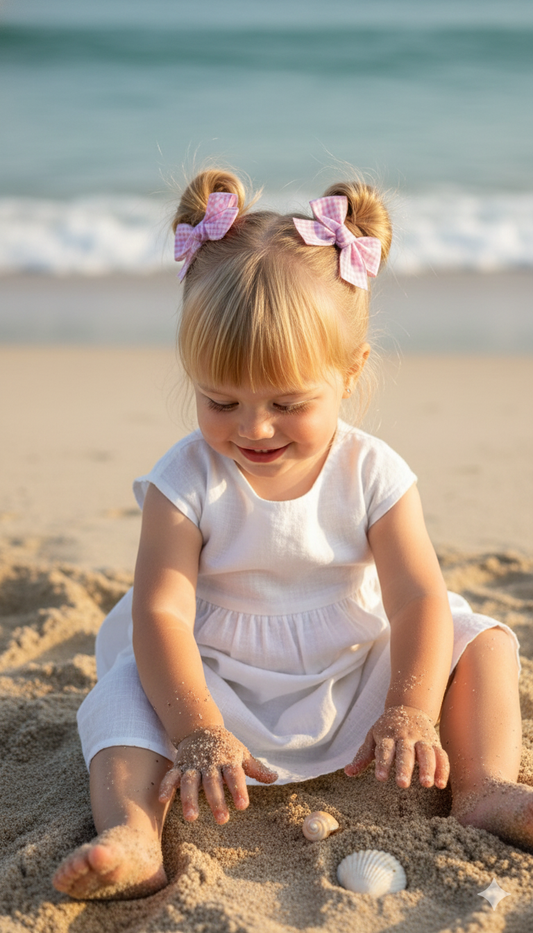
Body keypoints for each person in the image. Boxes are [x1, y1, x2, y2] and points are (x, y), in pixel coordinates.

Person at [53, 168, 531, 901]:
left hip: (352, 670)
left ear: (349, 372)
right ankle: (133, 832)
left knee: (485, 640)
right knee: (120, 696)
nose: (252, 427)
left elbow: (415, 600)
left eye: (286, 401)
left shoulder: (372, 470)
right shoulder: (186, 479)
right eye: (220, 399)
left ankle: (482, 785)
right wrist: (196, 728)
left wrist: (407, 706)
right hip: (213, 678)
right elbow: (161, 614)